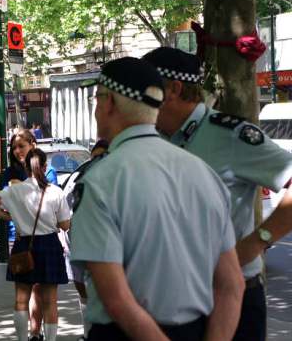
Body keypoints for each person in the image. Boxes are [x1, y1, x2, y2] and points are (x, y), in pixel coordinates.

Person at [70, 57, 244, 341]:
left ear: (108, 102)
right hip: (197, 331)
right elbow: (231, 286)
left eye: (97, 98)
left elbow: (117, 300)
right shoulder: (203, 172)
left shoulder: (100, 181)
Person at [143, 46, 292, 341]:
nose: (137, 97)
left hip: (230, 296)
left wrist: (257, 242)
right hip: (169, 297)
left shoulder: (230, 135)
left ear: (173, 88)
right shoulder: (152, 139)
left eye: (145, 88)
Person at [0, 148, 71, 341]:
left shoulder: (13, 192)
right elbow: (65, 225)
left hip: (23, 245)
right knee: (50, 301)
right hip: (50, 245)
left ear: (25, 167)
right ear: (44, 167)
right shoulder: (56, 192)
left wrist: (9, 216)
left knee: (21, 299)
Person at [1, 128, 59, 341]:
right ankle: (34, 334)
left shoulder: (47, 172)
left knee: (38, 293)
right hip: (20, 238)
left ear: (32, 144)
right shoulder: (10, 174)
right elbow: (4, 209)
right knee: (30, 293)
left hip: (34, 237)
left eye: (21, 146)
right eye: (14, 147)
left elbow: (51, 206)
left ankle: (36, 333)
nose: (17, 151)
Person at [60, 139, 109, 341]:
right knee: (85, 295)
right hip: (79, 245)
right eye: (95, 157)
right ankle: (87, 331)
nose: (98, 162)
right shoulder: (81, 181)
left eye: (103, 157)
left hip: (105, 251)